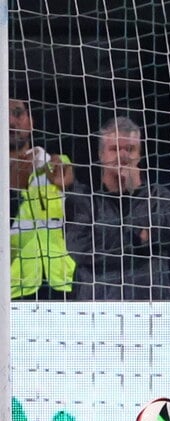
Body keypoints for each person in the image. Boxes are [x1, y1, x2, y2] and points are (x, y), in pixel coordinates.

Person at [67, 116, 170, 300]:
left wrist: (131, 189)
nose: (123, 155)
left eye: (130, 149)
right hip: (97, 310)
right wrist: (138, 239)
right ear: (101, 155)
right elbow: (82, 251)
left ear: (140, 155)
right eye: (114, 149)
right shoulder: (85, 202)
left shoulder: (159, 197)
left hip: (150, 309)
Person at [8, 97, 80, 299]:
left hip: (63, 283)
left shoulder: (57, 164)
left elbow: (83, 217)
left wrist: (72, 187)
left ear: (31, 122)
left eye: (18, 113)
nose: (11, 122)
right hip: (13, 287)